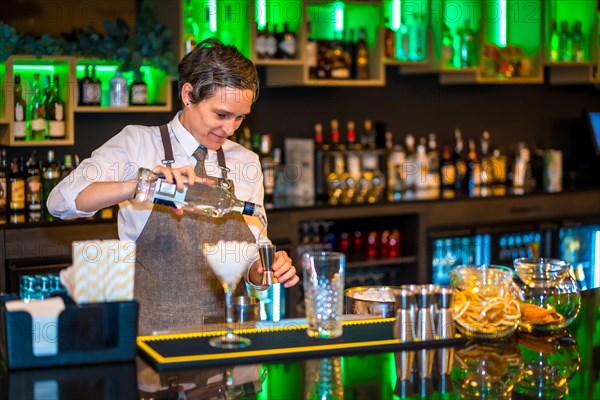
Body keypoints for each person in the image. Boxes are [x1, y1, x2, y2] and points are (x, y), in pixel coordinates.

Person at [47, 39, 299, 334]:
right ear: (188, 95)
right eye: (221, 115)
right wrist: (141, 183)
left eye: (240, 117)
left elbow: (255, 249)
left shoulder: (245, 162)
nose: (230, 129)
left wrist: (262, 271)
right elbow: (60, 202)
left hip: (233, 342)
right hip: (155, 342)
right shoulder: (137, 144)